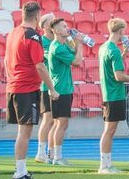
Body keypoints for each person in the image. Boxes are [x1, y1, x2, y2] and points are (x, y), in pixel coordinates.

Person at [4, 2, 59, 179]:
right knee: (24, 132)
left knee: (22, 132)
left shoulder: (13, 33)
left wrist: (11, 77)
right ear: (37, 16)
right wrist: (52, 89)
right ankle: (20, 172)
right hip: (26, 88)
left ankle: (21, 169)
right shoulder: (32, 36)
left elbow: (6, 60)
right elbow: (40, 66)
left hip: (14, 86)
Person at [98, 17, 129, 174]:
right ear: (121, 31)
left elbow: (111, 67)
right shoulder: (113, 50)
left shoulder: (105, 47)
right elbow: (119, 76)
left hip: (108, 93)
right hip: (114, 94)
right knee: (109, 130)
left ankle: (107, 164)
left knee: (109, 130)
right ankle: (104, 165)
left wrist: (124, 54)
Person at [46, 18, 85, 165]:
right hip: (61, 90)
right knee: (62, 124)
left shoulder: (62, 45)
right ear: (55, 30)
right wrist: (80, 43)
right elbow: (77, 61)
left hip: (64, 89)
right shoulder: (57, 47)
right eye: (63, 26)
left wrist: (75, 41)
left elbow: (74, 53)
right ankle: (57, 157)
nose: (66, 28)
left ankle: (51, 155)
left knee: (58, 124)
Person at [34, 13, 56, 164]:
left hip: (56, 84)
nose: (55, 22)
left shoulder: (56, 41)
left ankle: (50, 153)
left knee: (55, 121)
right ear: (44, 25)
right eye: (51, 20)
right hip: (46, 85)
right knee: (48, 119)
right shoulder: (43, 42)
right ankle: (40, 153)